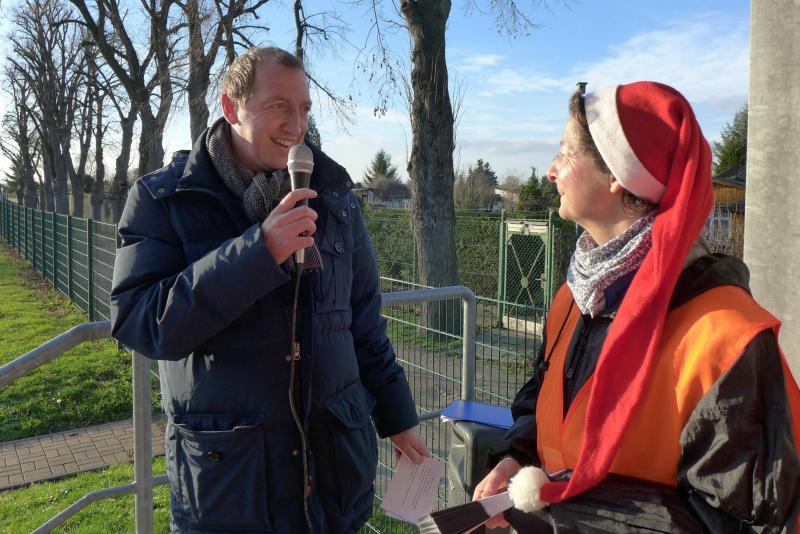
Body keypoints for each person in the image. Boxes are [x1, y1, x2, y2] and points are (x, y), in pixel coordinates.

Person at [110, 47, 428, 533]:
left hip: (332, 477)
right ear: (231, 107)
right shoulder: (164, 198)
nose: (296, 126)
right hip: (231, 487)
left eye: (304, 109)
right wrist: (258, 253)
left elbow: (363, 323)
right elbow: (140, 321)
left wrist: (398, 417)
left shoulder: (333, 196)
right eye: (279, 106)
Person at [473, 81, 800, 532]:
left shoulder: (727, 339)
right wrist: (516, 458)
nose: (551, 170)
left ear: (616, 175)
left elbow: (745, 521)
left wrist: (561, 508)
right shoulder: (573, 299)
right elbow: (542, 405)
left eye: (565, 152)